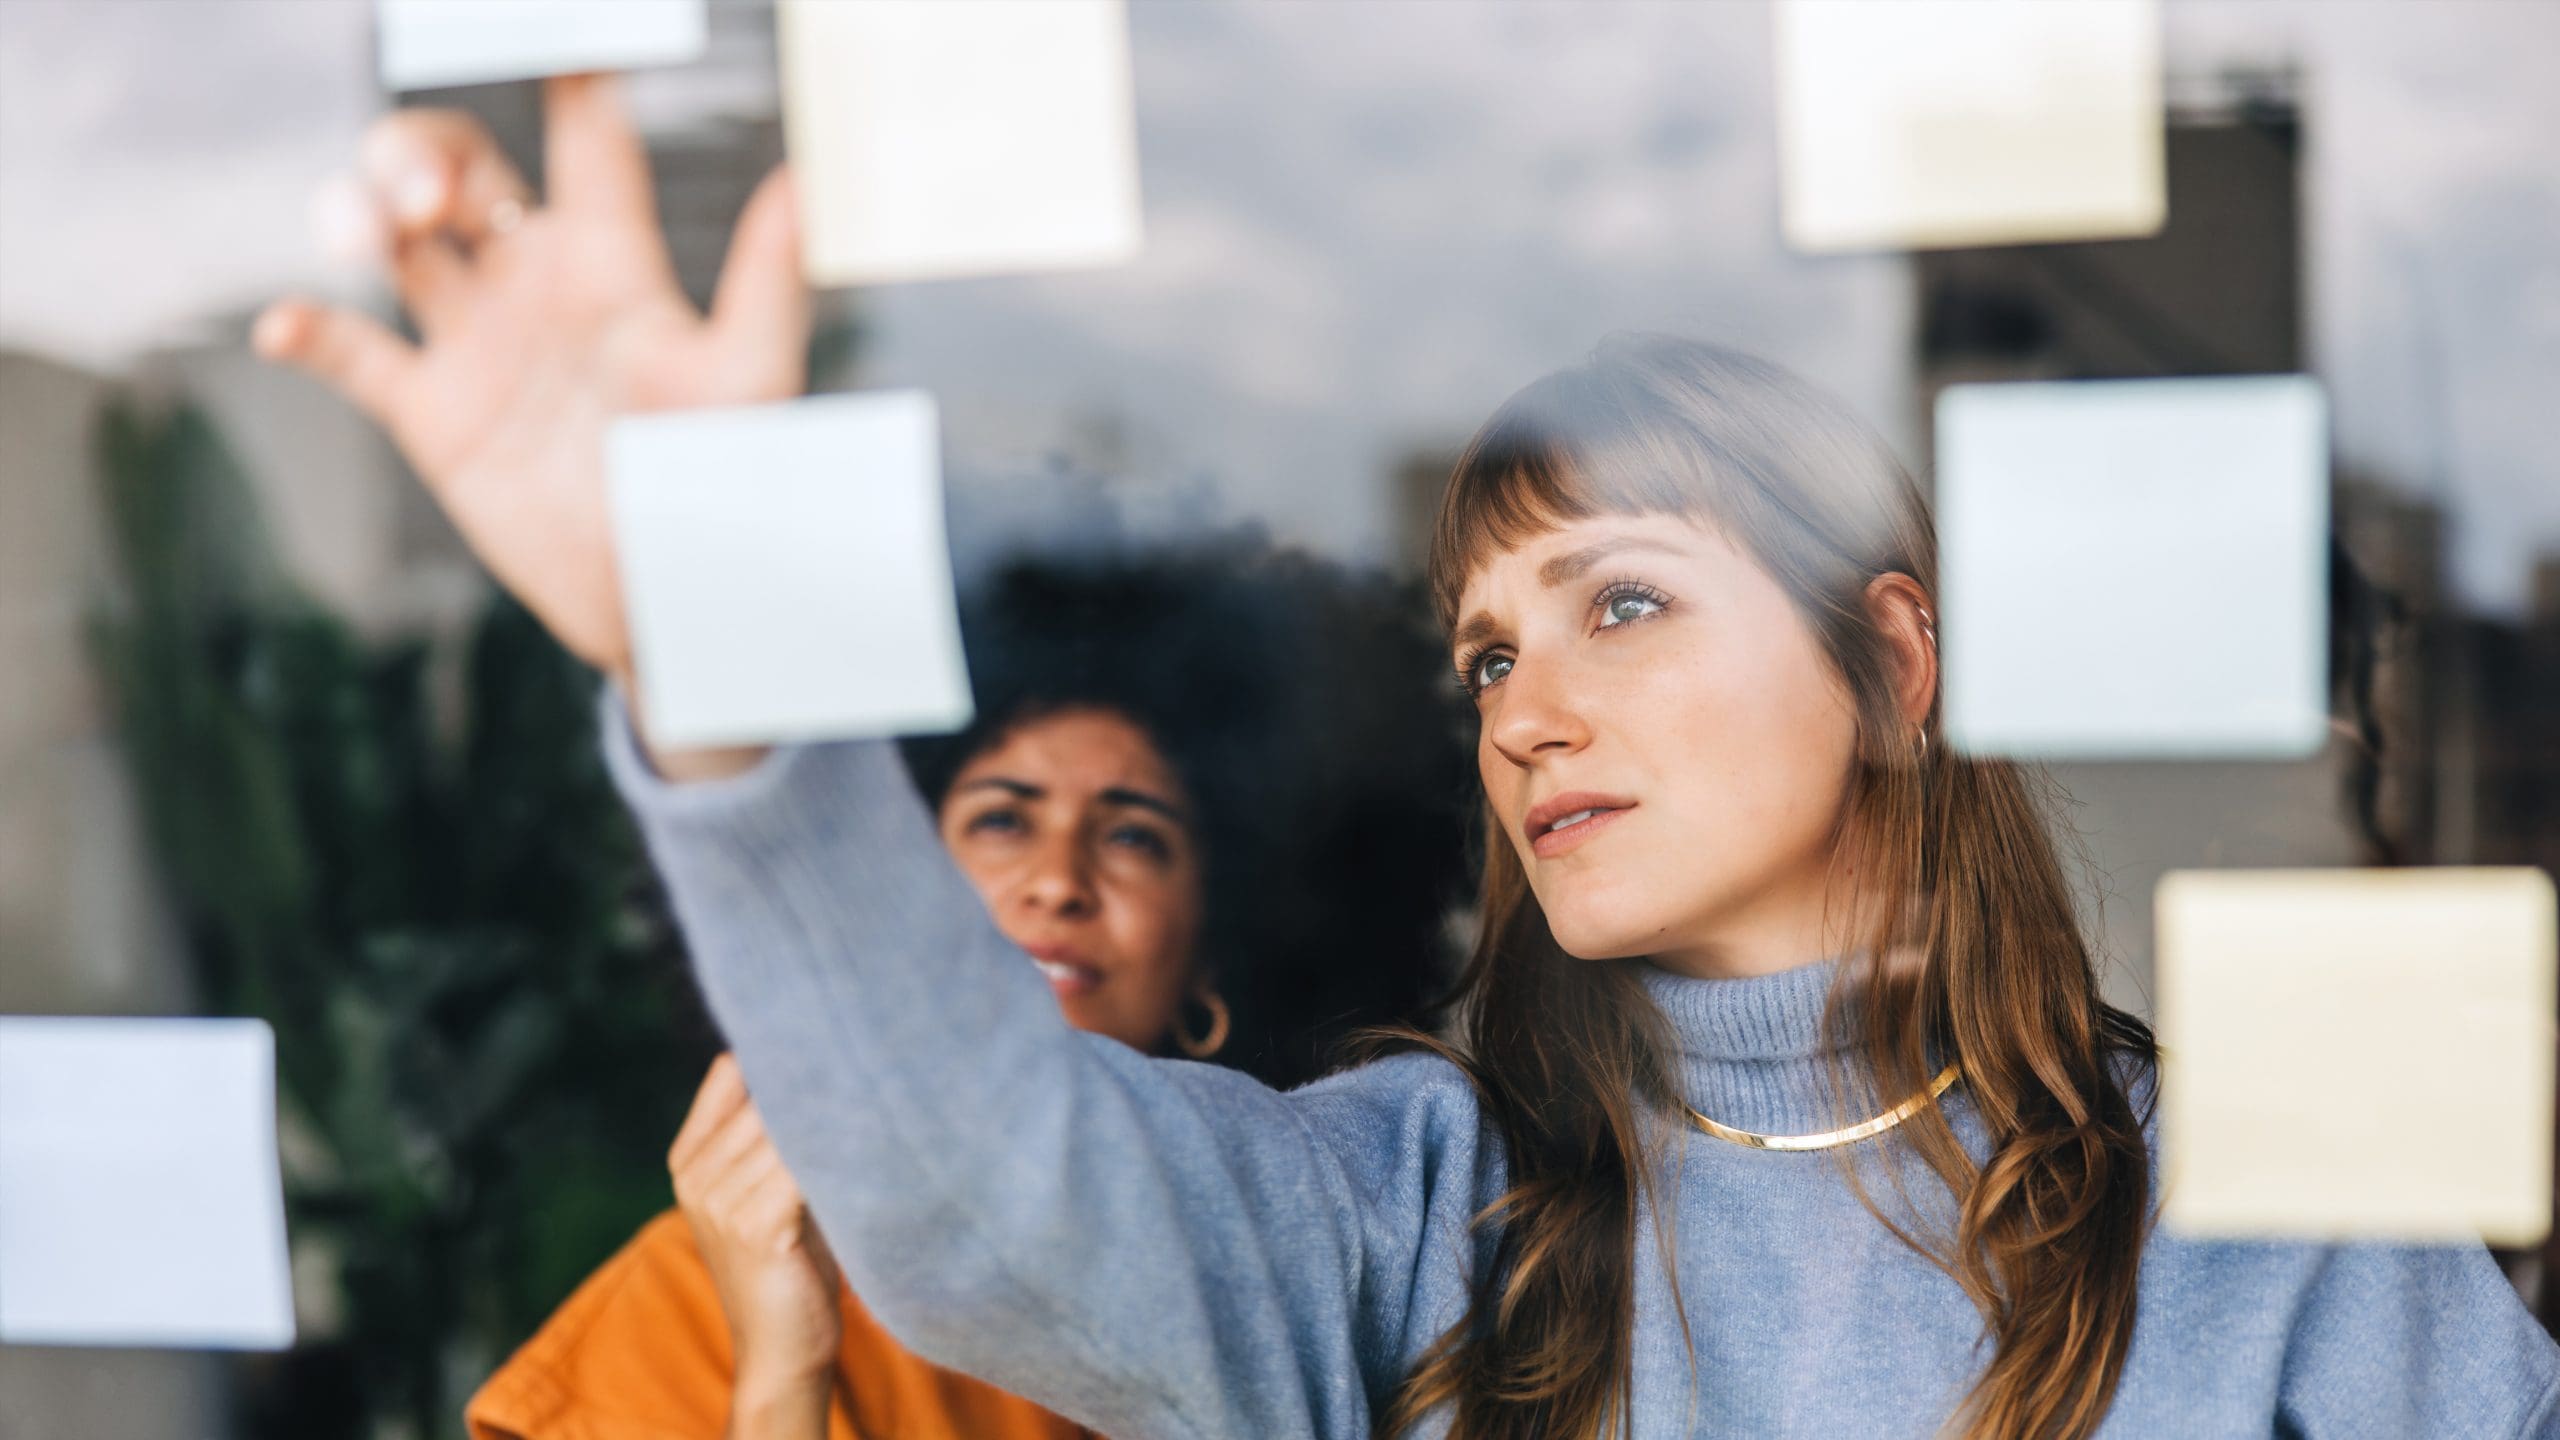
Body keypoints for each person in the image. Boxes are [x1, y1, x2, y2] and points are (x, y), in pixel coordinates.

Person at [261, 76, 2560, 1439]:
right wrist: (711, 656)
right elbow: (976, 1187)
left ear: (1890, 661)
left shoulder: (2262, 1217)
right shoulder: (1407, 1202)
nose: (1527, 706)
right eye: (1479, 656)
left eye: (1619, 600)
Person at [461, 547, 1471, 1440]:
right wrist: (781, 1368)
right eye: (1001, 820)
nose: (1058, 878)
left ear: (1213, 967)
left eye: (1132, 836)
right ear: (899, 907)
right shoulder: (687, 1301)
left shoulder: (1326, 1276)